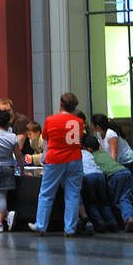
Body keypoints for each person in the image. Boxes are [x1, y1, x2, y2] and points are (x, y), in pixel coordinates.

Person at [28, 93, 85, 237]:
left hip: (55, 159)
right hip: (74, 159)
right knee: (73, 194)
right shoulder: (79, 122)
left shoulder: (51, 120)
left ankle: (41, 225)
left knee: (46, 193)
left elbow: (45, 140)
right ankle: (70, 229)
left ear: (61, 104)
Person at [92, 138, 133, 232]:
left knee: (117, 201)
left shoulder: (91, 156)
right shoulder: (103, 152)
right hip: (125, 171)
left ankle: (129, 219)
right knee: (124, 198)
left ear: (88, 149)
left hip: (114, 176)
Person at [78, 134, 118, 233]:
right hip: (100, 175)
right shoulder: (88, 153)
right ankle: (111, 222)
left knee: (91, 203)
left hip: (88, 176)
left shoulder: (76, 153)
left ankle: (99, 223)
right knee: (104, 202)